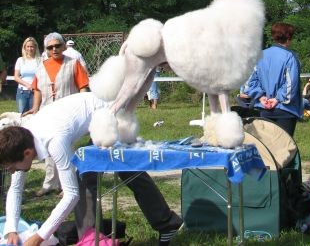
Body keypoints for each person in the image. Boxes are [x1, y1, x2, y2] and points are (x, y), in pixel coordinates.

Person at [0, 92, 182, 246]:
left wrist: (39, 237)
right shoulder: (20, 138)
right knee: (87, 176)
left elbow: (71, 195)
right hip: (92, 116)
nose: (13, 172)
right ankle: (94, 237)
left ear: (27, 153)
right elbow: (15, 189)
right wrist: (11, 229)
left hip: (111, 114)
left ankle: (165, 223)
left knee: (123, 168)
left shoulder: (54, 141)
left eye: (13, 167)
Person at [28, 32, 89, 197]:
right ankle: (49, 184)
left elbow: (83, 86)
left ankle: (68, 185)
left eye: (57, 45)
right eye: (50, 47)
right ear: (46, 49)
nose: (54, 49)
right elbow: (37, 90)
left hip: (68, 114)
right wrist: (35, 108)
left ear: (63, 46)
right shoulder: (41, 67)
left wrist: (84, 105)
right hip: (47, 113)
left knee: (67, 148)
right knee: (47, 149)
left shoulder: (73, 63)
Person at [241, 22, 303, 137]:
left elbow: (248, 84)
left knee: (267, 149)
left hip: (263, 109)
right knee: (285, 148)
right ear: (289, 38)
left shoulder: (260, 55)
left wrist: (261, 97)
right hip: (285, 110)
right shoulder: (290, 57)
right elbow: (291, 84)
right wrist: (277, 99)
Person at [13, 37, 42, 114]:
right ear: (24, 48)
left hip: (36, 92)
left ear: (35, 47)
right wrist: (27, 85)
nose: (30, 49)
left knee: (34, 115)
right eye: (28, 46)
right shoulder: (20, 60)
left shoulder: (40, 60)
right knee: (22, 115)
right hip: (22, 92)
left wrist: (34, 86)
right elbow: (16, 77)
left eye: (32, 46)